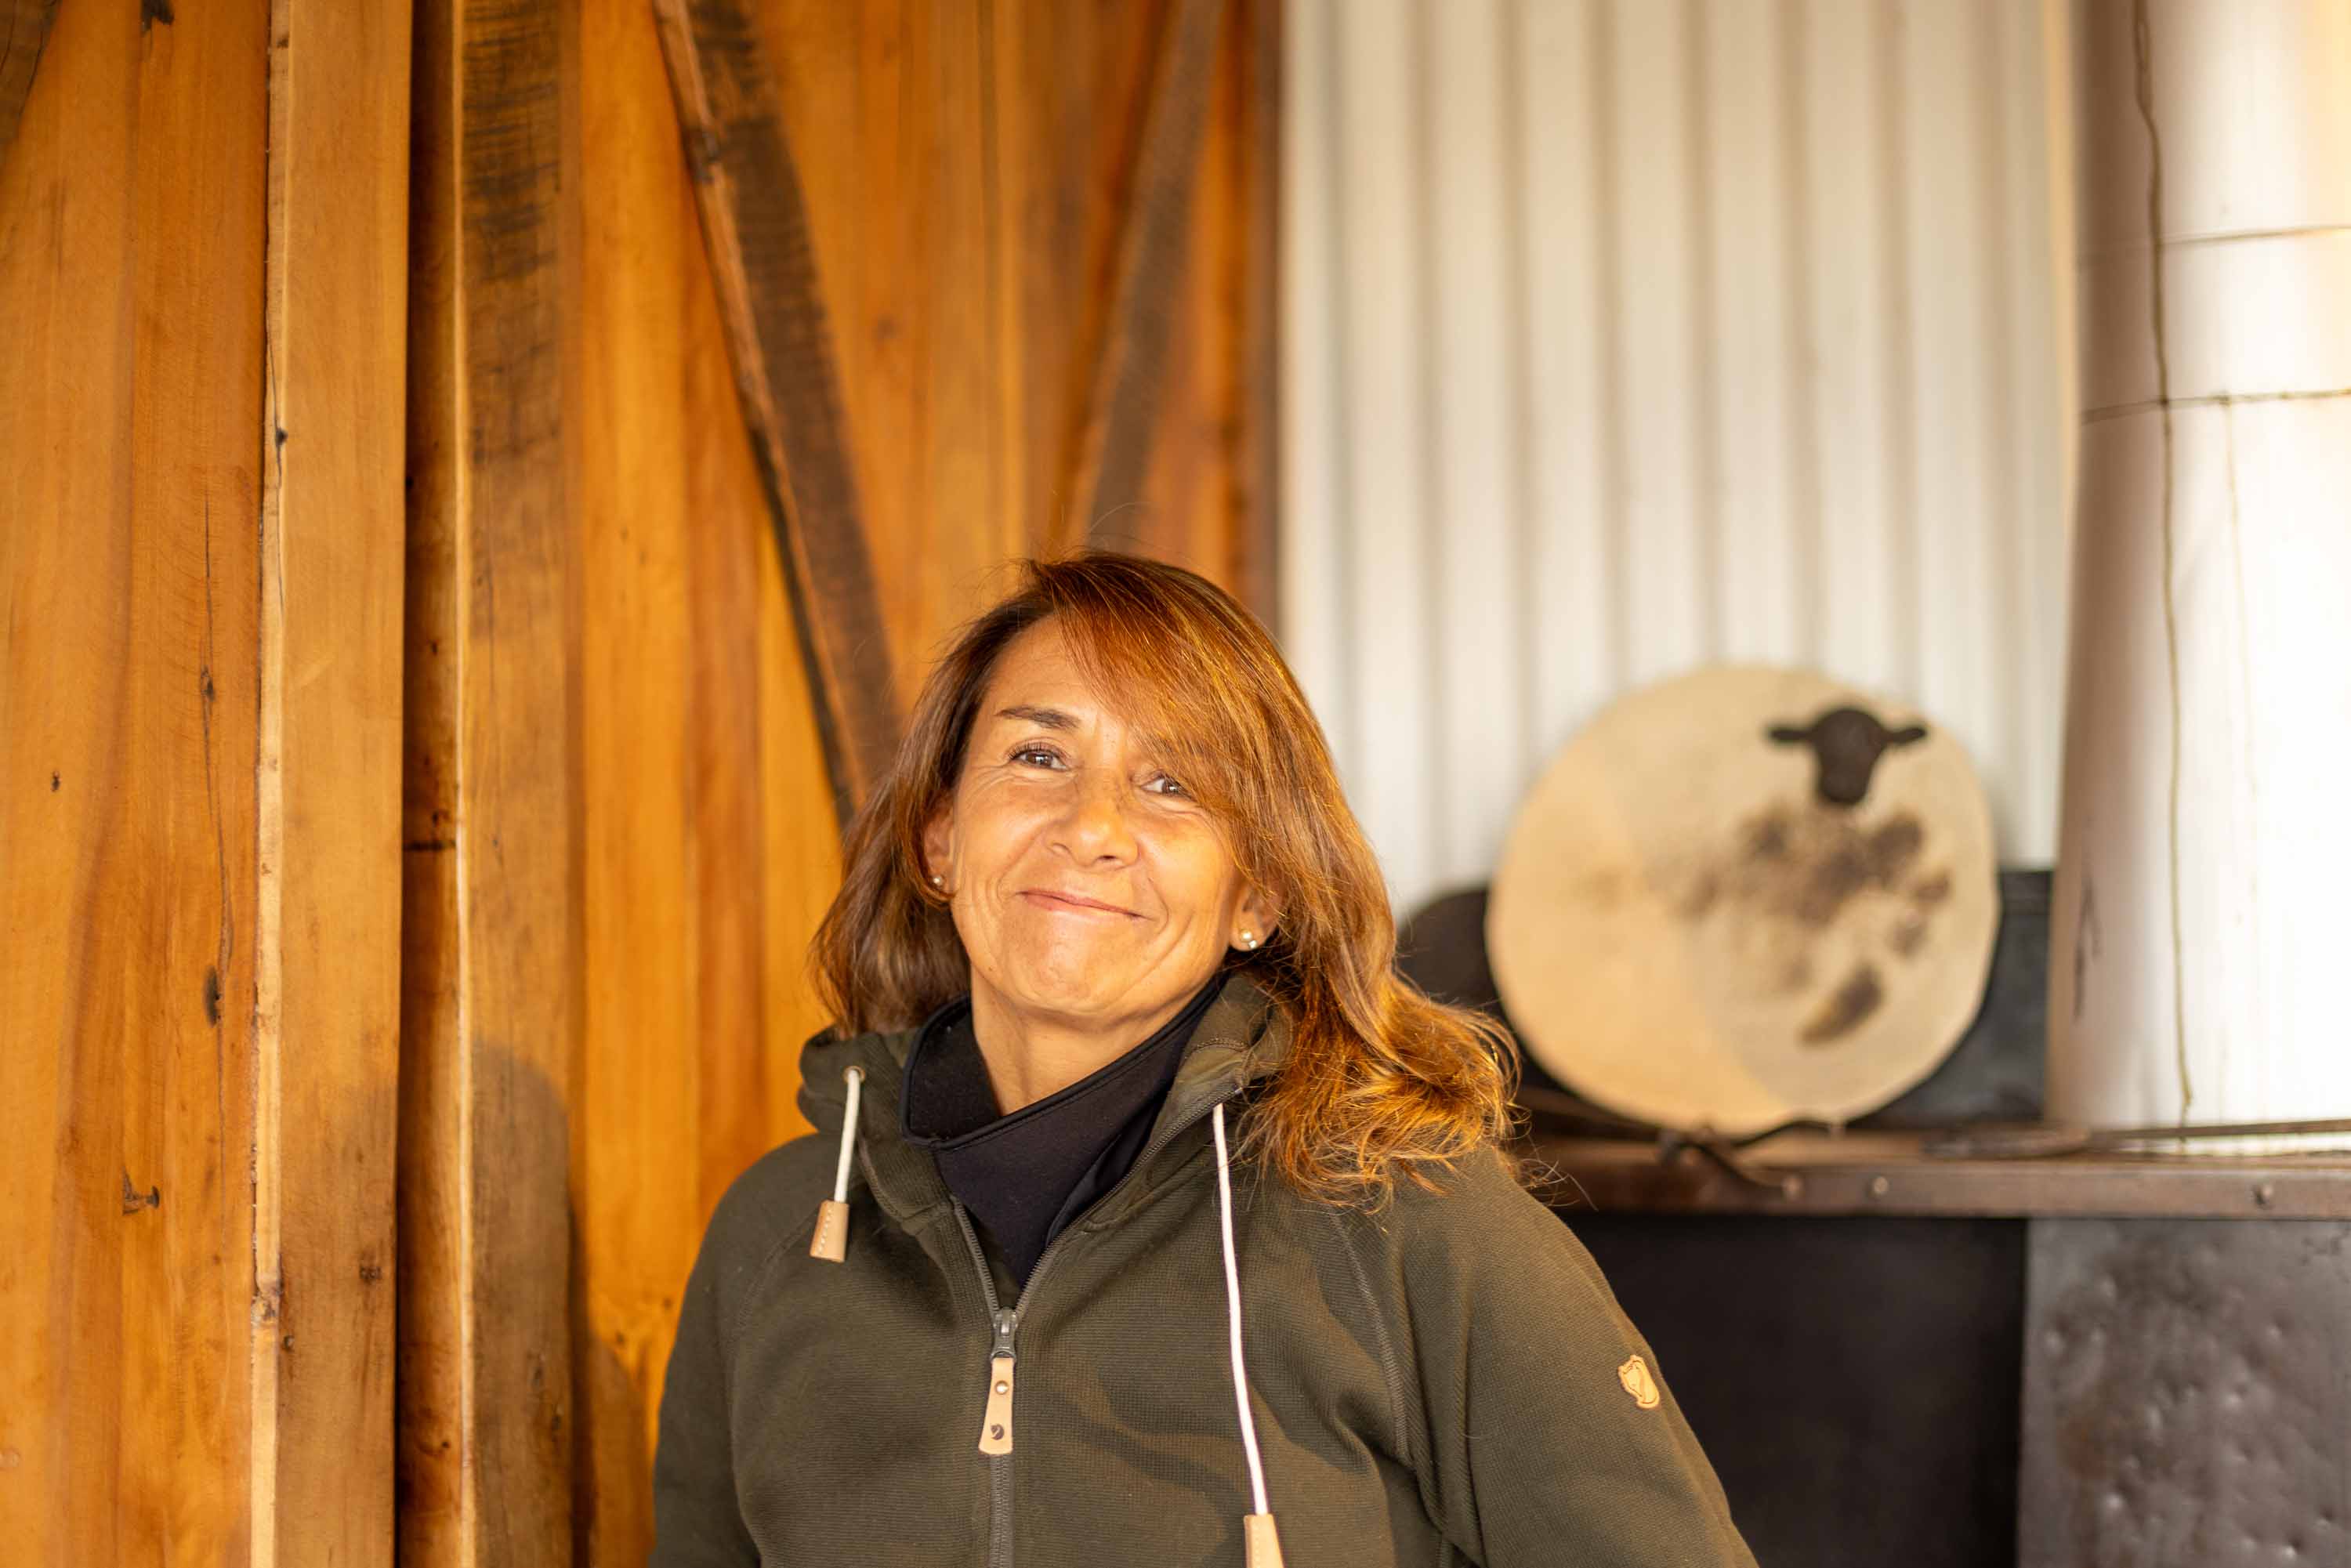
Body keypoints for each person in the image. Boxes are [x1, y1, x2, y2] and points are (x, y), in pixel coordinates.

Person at [650, 553, 1755, 1567]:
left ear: (1255, 896)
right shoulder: (778, 1235)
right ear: (941, 837)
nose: (1092, 826)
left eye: (1173, 782)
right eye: (1038, 755)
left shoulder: (1405, 1222)